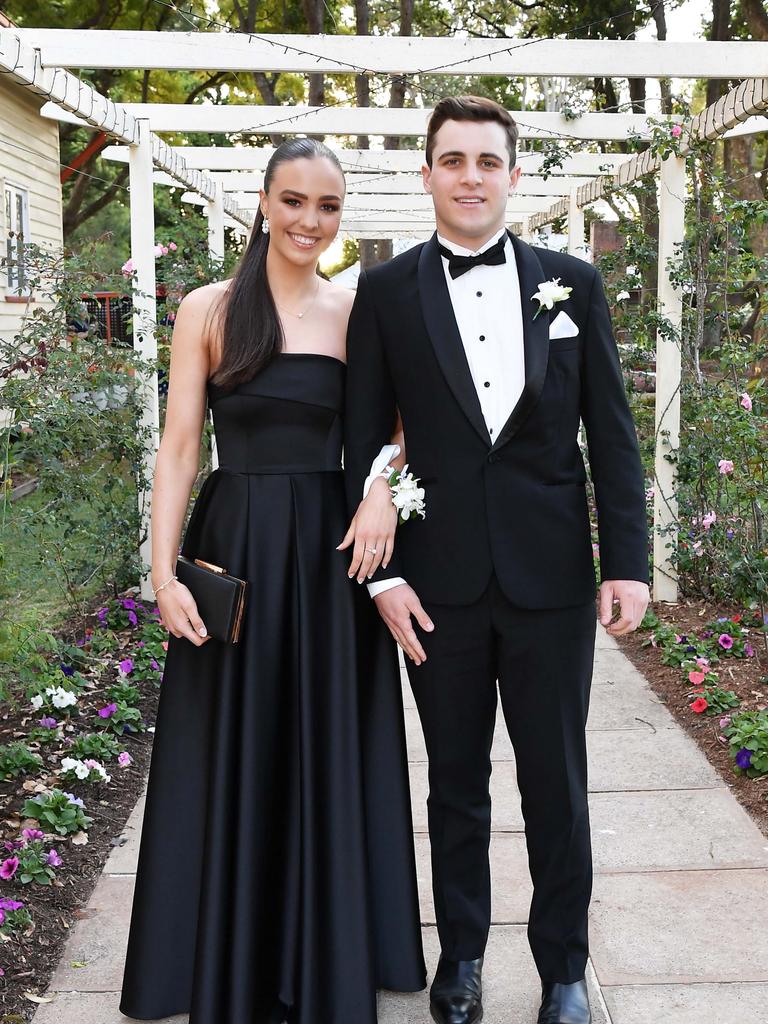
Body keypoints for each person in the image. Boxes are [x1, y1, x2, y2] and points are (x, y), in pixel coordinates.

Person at [344, 96, 650, 1024]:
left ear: (514, 175)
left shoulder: (574, 284)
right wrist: (385, 576)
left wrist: (627, 561)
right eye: (452, 159)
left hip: (553, 581)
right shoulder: (386, 293)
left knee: (556, 780)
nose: (470, 176)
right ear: (427, 173)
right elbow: (364, 444)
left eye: (487, 160)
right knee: (455, 782)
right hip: (436, 586)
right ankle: (463, 960)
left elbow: (614, 433)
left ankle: (563, 966)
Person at [120, 138, 425, 1024]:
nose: (310, 222)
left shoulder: (358, 311)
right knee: (229, 743)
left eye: (328, 207)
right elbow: (180, 448)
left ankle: (330, 946)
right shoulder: (209, 309)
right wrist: (162, 574)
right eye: (294, 201)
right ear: (262, 202)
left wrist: (378, 492)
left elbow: (401, 436)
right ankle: (219, 952)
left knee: (329, 739)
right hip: (238, 547)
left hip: (331, 557)